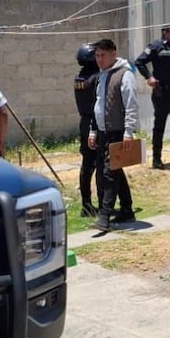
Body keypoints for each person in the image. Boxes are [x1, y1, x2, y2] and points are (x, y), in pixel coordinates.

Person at [91, 38, 140, 231]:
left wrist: (129, 132)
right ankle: (127, 209)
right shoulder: (102, 75)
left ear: (113, 53)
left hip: (118, 132)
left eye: (103, 55)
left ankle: (104, 215)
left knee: (109, 174)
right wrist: (93, 131)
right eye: (97, 55)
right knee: (115, 170)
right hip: (103, 132)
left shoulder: (124, 74)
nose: (99, 59)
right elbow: (98, 105)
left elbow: (131, 105)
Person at [134, 22, 170, 169]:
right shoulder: (156, 46)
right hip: (163, 93)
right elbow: (139, 62)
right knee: (159, 125)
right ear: (165, 32)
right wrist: (148, 77)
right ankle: (157, 158)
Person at [74, 43, 104, 218]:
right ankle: (102, 205)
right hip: (95, 123)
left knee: (86, 165)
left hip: (84, 122)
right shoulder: (96, 78)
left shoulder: (79, 78)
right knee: (100, 164)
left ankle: (86, 204)